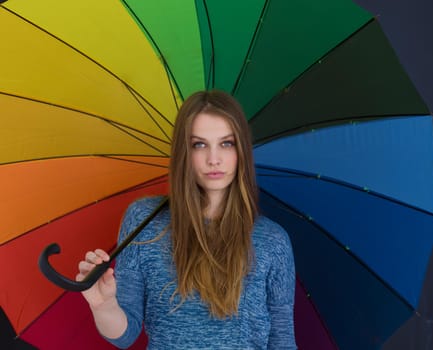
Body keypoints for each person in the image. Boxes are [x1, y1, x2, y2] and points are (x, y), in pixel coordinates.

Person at [76, 90, 296, 349]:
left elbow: (282, 342)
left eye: (227, 143)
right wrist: (103, 305)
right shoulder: (144, 221)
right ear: (183, 152)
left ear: (242, 151)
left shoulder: (273, 241)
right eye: (199, 144)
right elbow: (125, 335)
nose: (213, 159)